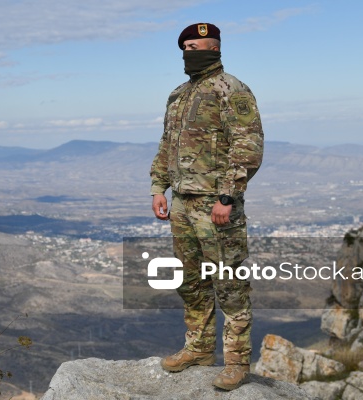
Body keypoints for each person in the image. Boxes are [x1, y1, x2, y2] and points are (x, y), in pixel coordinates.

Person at [149, 22, 264, 390]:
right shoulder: (178, 95)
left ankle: (237, 361)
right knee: (191, 280)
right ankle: (198, 348)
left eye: (199, 46)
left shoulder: (231, 89)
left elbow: (247, 145)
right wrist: (158, 187)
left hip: (216, 205)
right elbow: (167, 144)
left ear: (215, 47)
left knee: (229, 282)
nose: (192, 52)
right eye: (187, 47)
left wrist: (227, 197)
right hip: (182, 203)